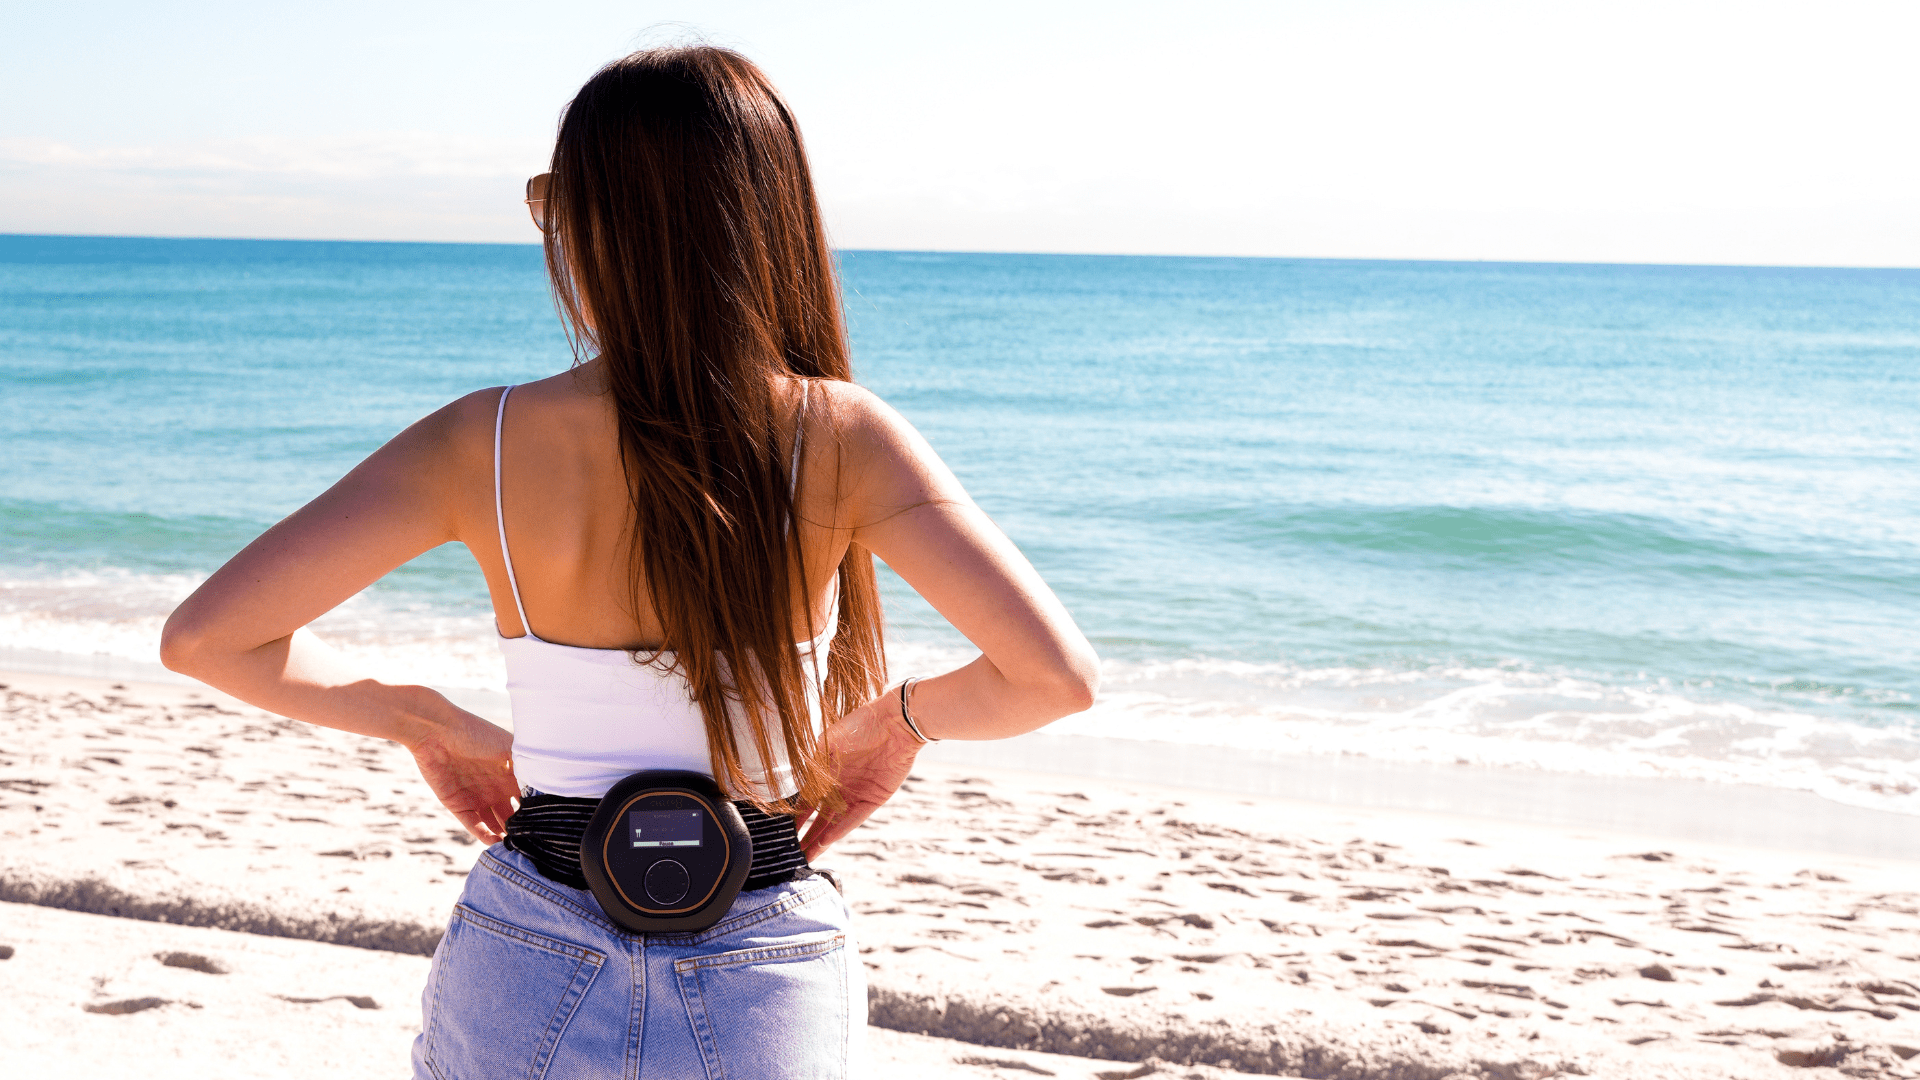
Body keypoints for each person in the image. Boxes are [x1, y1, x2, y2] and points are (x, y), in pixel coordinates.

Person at [159, 44, 1099, 1080]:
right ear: (771, 218)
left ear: (590, 225)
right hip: (759, 950)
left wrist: (418, 715)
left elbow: (208, 638)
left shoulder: (483, 441)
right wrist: (897, 721)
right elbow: (1051, 677)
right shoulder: (841, 436)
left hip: (532, 934)